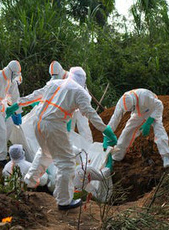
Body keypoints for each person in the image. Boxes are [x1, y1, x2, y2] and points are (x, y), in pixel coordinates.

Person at [7, 66, 117, 210]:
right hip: (54, 126)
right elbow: (91, 114)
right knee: (67, 163)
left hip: (38, 123)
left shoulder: (55, 83)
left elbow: (34, 95)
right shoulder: (79, 92)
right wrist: (106, 130)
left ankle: (29, 183)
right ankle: (64, 201)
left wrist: (16, 105)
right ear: (83, 81)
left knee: (45, 154)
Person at [107, 88, 169, 168]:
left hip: (151, 110)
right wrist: (107, 134)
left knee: (159, 130)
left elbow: (159, 105)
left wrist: (149, 122)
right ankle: (117, 156)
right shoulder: (122, 103)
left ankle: (166, 156)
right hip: (138, 113)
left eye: (132, 108)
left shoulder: (145, 96)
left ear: (134, 102)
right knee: (127, 131)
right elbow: (115, 118)